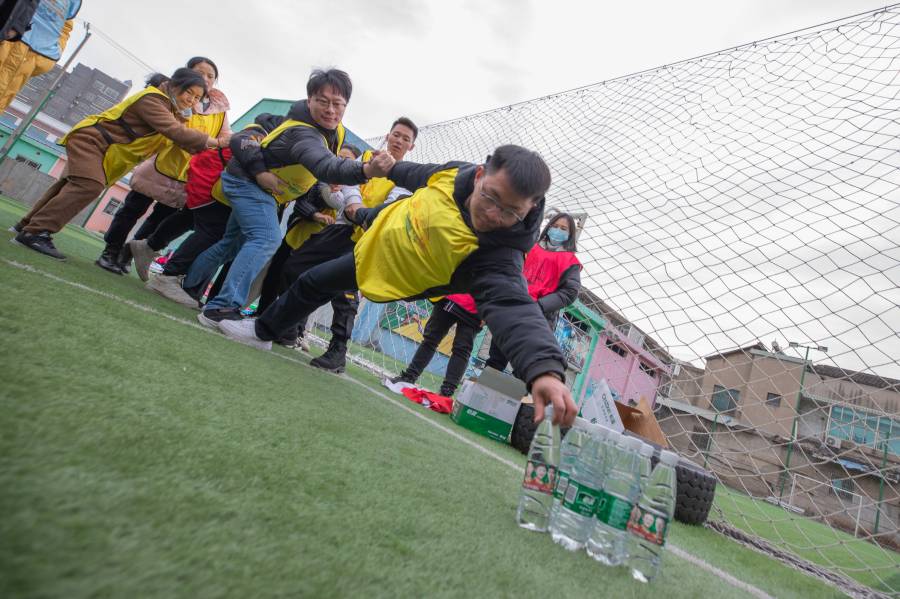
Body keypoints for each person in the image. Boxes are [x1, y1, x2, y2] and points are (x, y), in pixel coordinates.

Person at [215, 144, 578, 426]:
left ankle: (287, 334)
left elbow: (513, 306)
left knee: (320, 281)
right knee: (310, 279)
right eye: (491, 197)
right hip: (380, 234)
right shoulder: (453, 175)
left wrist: (544, 370)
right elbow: (414, 173)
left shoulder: (498, 252)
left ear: (529, 210)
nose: (494, 214)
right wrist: (386, 167)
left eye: (512, 211)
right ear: (480, 174)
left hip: (396, 271)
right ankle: (263, 330)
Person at [183, 68, 394, 328]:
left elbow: (327, 166)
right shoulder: (304, 133)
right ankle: (220, 308)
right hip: (247, 183)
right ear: (309, 101)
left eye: (337, 104)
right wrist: (367, 170)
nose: (330, 110)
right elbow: (324, 164)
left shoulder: (333, 131)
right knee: (266, 238)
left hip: (265, 190)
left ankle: (186, 287)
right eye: (323, 101)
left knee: (232, 243)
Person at [12, 67, 219, 259]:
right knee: (89, 185)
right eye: (189, 93)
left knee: (68, 185)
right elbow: (175, 132)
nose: (191, 100)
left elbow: (178, 138)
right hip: (93, 141)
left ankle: (26, 225)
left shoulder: (172, 109)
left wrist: (210, 147)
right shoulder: (154, 99)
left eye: (197, 98)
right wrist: (216, 142)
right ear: (176, 85)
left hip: (106, 150)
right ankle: (36, 232)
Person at [266, 117, 417, 369]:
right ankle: (289, 327)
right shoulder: (368, 156)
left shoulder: (406, 176)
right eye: (396, 134)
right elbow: (350, 181)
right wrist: (354, 206)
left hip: (366, 240)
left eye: (405, 139)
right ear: (388, 135)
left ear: (411, 146)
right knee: (295, 266)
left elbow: (391, 205)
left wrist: (363, 214)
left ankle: (337, 351)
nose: (399, 140)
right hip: (343, 229)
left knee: (344, 294)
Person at [95, 56, 231, 276]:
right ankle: (110, 251)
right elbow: (174, 129)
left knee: (158, 220)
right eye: (200, 73)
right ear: (186, 75)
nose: (205, 79)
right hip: (159, 164)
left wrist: (220, 144)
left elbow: (225, 137)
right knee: (131, 210)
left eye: (211, 76)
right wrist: (205, 141)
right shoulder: (174, 98)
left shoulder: (220, 109)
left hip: (188, 175)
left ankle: (127, 256)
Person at [483, 211, 581, 372]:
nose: (558, 230)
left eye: (563, 228)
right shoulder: (530, 246)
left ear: (570, 235)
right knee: (495, 358)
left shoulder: (570, 261)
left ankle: (515, 396)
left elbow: (570, 292)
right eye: (555, 226)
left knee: (523, 367)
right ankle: (482, 394)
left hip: (538, 317)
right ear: (548, 227)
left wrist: (540, 305)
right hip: (512, 308)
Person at [388, 294, 482, 397]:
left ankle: (446, 392)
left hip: (476, 307)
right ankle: (409, 377)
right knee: (431, 339)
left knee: (462, 349)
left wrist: (487, 314)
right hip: (451, 296)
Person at [0, 0, 80, 111]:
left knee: (4, 95)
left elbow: (66, 25)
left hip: (31, 56)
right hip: (8, 41)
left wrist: (53, 52)